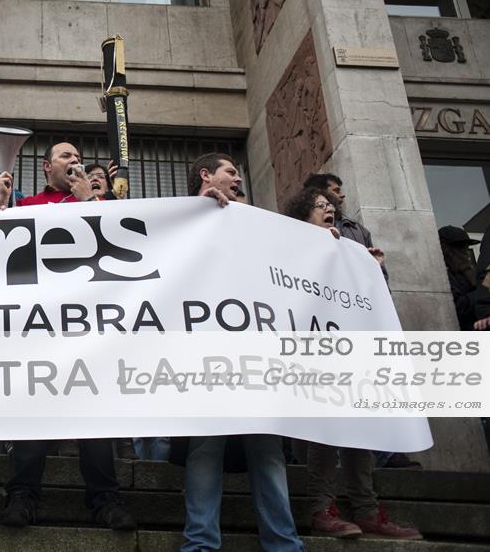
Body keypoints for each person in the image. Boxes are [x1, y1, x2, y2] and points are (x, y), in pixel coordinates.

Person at [0, 141, 135, 532]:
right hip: (38, 327)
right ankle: (23, 495)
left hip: (86, 328)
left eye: (78, 157)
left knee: (93, 416)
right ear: (47, 167)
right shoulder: (28, 206)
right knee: (33, 414)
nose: (75, 160)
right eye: (65, 157)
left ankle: (105, 499)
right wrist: (0, 206)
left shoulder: (100, 204)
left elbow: (119, 245)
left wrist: (87, 200)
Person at [179, 153, 303, 552]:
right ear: (206, 174)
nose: (238, 178)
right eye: (230, 171)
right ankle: (201, 542)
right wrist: (199, 211)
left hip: (255, 352)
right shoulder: (178, 218)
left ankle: (283, 543)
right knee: (207, 445)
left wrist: (328, 248)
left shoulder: (253, 222)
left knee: (266, 448)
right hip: (208, 352)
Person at [284, 187, 422, 540]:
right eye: (318, 206)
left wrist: (371, 270)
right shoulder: (290, 251)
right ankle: (321, 508)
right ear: (302, 216)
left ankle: (368, 511)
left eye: (329, 205)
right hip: (312, 356)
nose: (327, 209)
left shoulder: (349, 251)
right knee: (325, 432)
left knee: (360, 428)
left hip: (349, 357)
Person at [439, 225, 490, 332]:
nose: (466, 253)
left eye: (466, 248)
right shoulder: (442, 277)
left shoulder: (467, 273)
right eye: (460, 247)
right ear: (445, 249)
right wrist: (483, 292)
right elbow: (458, 307)